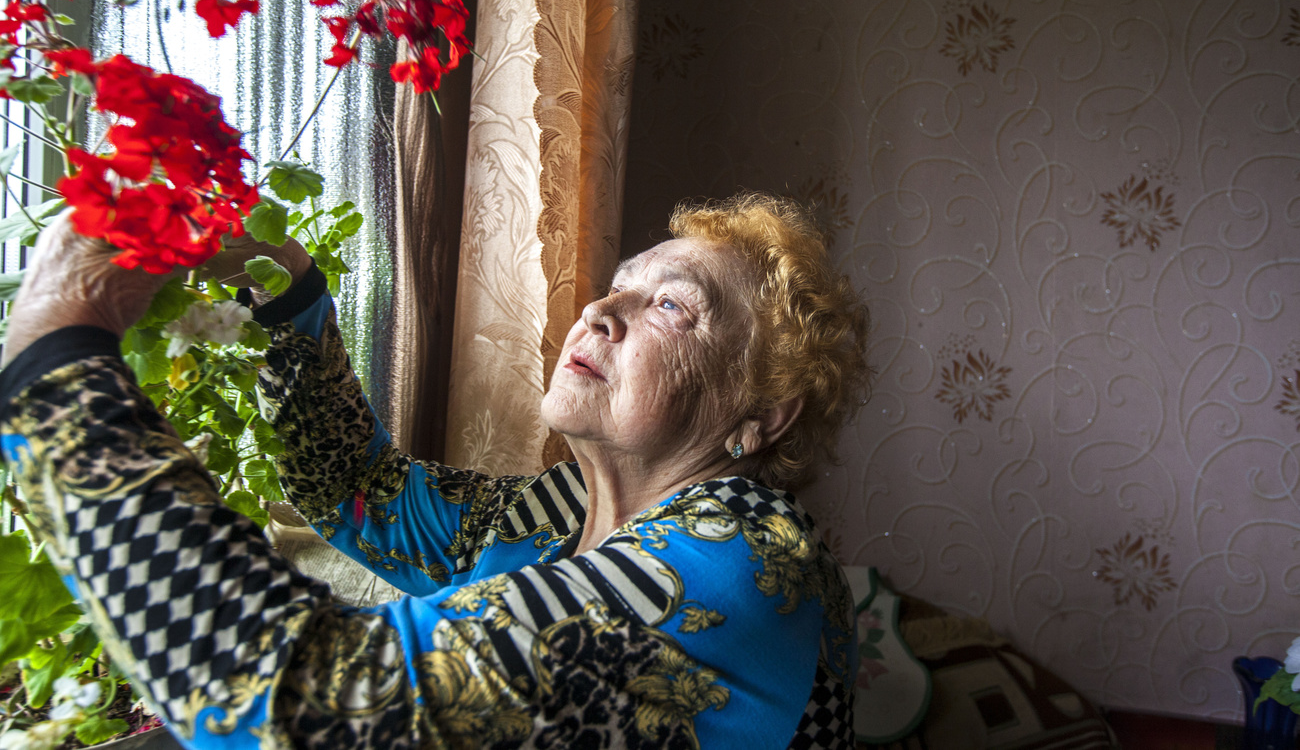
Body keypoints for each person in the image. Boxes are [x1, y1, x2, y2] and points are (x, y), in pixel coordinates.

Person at [0, 192, 870, 749]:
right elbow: (360, 490)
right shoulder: (558, 509)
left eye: (671, 304)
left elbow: (317, 703)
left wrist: (56, 358)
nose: (601, 309)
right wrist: (290, 286)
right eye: (617, 285)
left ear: (762, 415)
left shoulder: (754, 559)